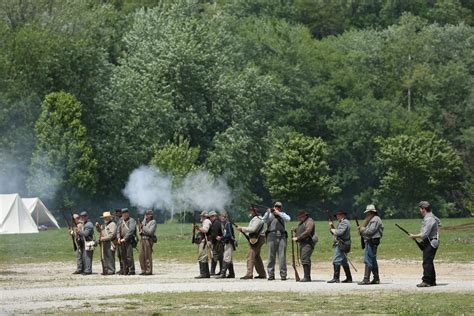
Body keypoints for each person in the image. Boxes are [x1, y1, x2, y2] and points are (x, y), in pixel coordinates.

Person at [409, 201, 441, 287]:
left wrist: (414, 236)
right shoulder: (431, 217)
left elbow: (424, 234)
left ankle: (426, 281)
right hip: (430, 241)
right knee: (429, 262)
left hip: (431, 242)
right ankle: (432, 281)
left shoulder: (429, 218)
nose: (419, 210)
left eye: (420, 208)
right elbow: (439, 222)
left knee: (426, 262)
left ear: (423, 209)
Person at [262, 201, 291, 281]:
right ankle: (271, 275)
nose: (277, 207)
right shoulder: (269, 215)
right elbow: (263, 220)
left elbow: (288, 219)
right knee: (271, 256)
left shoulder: (282, 214)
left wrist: (278, 213)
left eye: (279, 207)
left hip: (282, 236)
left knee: (282, 257)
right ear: (274, 206)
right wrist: (268, 213)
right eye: (276, 206)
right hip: (271, 235)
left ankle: (283, 275)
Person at [236, 206, 266, 280]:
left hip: (258, 239)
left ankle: (249, 274)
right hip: (258, 238)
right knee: (256, 257)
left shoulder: (257, 219)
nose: (249, 213)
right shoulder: (258, 218)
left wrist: (242, 228)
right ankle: (262, 273)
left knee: (250, 256)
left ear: (254, 212)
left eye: (251, 211)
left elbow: (253, 229)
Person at [357, 204, 384, 285]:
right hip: (371, 240)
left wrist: (362, 229)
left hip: (372, 241)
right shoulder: (374, 219)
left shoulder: (375, 219)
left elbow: (370, 231)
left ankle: (366, 279)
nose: (366, 214)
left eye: (368, 212)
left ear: (371, 212)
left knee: (368, 259)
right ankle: (376, 278)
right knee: (372, 260)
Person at [327, 210, 352, 283]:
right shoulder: (342, 222)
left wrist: (333, 230)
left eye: (338, 215)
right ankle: (349, 278)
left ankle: (336, 278)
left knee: (336, 260)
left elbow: (340, 232)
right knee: (344, 262)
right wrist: (331, 226)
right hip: (342, 243)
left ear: (342, 215)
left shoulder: (344, 222)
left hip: (341, 243)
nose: (337, 217)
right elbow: (335, 232)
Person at [292, 210, 316, 282]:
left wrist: (298, 238)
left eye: (301, 217)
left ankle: (307, 277)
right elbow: (302, 229)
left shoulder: (309, 221)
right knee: (303, 259)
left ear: (305, 216)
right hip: (303, 243)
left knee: (305, 259)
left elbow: (308, 231)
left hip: (307, 243)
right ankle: (306, 276)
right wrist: (296, 230)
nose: (299, 218)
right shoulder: (303, 222)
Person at [95, 211, 117, 275]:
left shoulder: (113, 224)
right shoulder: (104, 225)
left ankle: (111, 270)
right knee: (105, 257)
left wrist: (103, 238)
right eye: (104, 218)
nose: (105, 219)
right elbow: (100, 231)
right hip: (104, 243)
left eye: (106, 217)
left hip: (110, 242)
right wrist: (97, 227)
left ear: (109, 217)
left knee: (110, 257)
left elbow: (112, 235)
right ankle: (106, 270)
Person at [117, 208, 137, 275]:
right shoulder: (120, 220)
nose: (125, 214)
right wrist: (118, 237)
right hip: (121, 241)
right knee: (123, 256)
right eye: (123, 213)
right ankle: (125, 270)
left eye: (126, 213)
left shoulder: (132, 220)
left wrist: (124, 238)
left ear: (128, 213)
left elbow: (131, 231)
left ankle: (131, 270)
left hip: (129, 241)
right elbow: (118, 230)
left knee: (129, 256)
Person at [215, 211, 235, 279]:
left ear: (225, 217)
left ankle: (223, 274)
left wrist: (221, 238)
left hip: (229, 242)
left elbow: (229, 235)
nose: (221, 217)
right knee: (229, 259)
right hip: (227, 242)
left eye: (222, 216)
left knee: (226, 258)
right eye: (220, 216)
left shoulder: (228, 224)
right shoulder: (225, 224)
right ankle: (231, 274)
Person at [139, 210, 157, 275]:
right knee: (141, 256)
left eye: (148, 214)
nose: (147, 215)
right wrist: (144, 220)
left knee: (147, 256)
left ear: (151, 215)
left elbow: (150, 232)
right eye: (146, 214)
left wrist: (143, 227)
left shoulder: (153, 222)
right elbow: (141, 228)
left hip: (148, 240)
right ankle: (143, 270)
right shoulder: (145, 222)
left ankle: (148, 271)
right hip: (142, 240)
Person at [194, 211, 212, 278]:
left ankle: (203, 274)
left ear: (204, 216)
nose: (200, 217)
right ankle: (206, 274)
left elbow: (205, 230)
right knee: (204, 257)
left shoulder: (206, 221)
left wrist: (198, 228)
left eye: (201, 216)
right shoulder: (206, 221)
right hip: (204, 241)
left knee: (202, 257)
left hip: (204, 241)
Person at [209, 210, 224, 276]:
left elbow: (214, 233)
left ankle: (212, 271)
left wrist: (213, 237)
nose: (210, 218)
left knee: (215, 257)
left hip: (217, 243)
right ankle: (220, 271)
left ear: (213, 216)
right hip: (218, 242)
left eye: (211, 217)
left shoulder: (216, 223)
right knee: (219, 257)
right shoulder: (217, 222)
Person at [114, 208, 124, 274]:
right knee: (119, 255)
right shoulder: (117, 219)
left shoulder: (122, 219)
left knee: (123, 255)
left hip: (122, 239)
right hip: (118, 239)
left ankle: (124, 268)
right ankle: (121, 268)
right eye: (116, 212)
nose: (117, 213)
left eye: (118, 212)